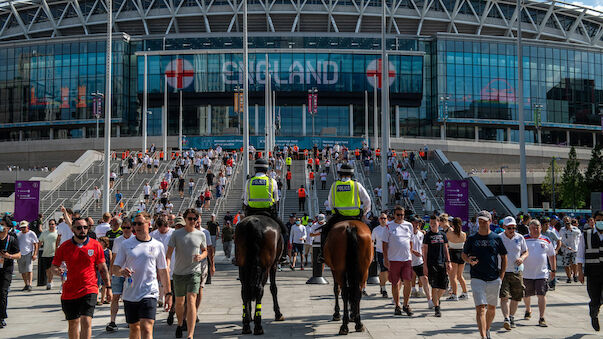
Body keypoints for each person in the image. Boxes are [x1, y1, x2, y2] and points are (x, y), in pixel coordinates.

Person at [112, 212, 172, 339]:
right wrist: (122, 272)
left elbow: (163, 270)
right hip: (130, 293)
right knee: (134, 329)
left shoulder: (157, 245)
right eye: (134, 224)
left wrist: (168, 293)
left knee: (147, 327)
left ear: (149, 224)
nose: (136, 226)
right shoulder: (126, 244)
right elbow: (115, 268)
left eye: (140, 223)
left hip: (149, 292)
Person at [51, 217, 112, 339]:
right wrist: (57, 271)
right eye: (79, 228)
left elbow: (103, 268)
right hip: (70, 291)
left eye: (85, 227)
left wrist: (109, 287)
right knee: (73, 323)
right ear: (73, 229)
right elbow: (53, 266)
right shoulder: (64, 246)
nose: (82, 230)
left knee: (86, 320)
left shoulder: (95, 245)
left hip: (89, 288)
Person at [462, 210, 508, 339]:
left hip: (494, 277)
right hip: (477, 277)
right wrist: (468, 260)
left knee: (492, 309)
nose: (481, 223)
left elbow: (504, 256)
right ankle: (483, 336)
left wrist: (502, 274)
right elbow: (464, 254)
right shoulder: (472, 238)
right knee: (480, 308)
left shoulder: (496, 238)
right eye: (480, 221)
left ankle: (487, 329)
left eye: (484, 221)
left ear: (490, 221)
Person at [166, 208, 207, 339]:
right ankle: (179, 323)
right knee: (179, 303)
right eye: (190, 219)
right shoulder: (176, 234)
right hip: (178, 273)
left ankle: (190, 334)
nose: (192, 221)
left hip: (194, 272)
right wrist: (166, 266)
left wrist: (201, 256)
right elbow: (169, 254)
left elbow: (205, 250)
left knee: (191, 300)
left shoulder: (201, 235)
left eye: (195, 219)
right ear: (185, 219)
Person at [318, 163, 371, 263]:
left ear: (340, 174)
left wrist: (334, 210)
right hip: (355, 217)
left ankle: (322, 255)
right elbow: (367, 200)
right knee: (369, 232)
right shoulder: (356, 185)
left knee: (325, 231)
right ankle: (371, 255)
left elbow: (330, 202)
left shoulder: (334, 185)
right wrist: (364, 212)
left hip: (339, 217)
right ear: (352, 174)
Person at [241, 159, 289, 261]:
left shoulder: (249, 181)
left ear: (255, 169)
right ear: (267, 169)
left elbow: (245, 200)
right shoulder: (272, 181)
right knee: (284, 231)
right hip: (268, 212)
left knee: (239, 231)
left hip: (251, 212)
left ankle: (238, 256)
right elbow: (276, 199)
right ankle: (283, 256)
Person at [383, 206, 419, 316]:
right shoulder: (388, 226)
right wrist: (385, 259)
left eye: (402, 215)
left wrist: (411, 252)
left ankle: (406, 304)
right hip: (394, 259)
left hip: (406, 259)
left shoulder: (408, 225)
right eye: (398, 214)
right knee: (395, 283)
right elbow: (384, 244)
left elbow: (411, 241)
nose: (400, 217)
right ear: (394, 215)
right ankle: (397, 305)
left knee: (408, 281)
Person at [523, 219, 556, 327]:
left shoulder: (546, 240)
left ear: (541, 228)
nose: (535, 230)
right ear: (529, 229)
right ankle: (528, 310)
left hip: (542, 273)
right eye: (533, 228)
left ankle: (541, 317)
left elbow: (551, 255)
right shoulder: (524, 239)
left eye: (537, 227)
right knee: (526, 295)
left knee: (541, 294)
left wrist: (553, 269)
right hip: (526, 273)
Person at [498, 216, 528, 330]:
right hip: (503, 271)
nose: (512, 230)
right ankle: (506, 318)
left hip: (516, 271)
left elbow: (526, 251)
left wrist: (522, 258)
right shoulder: (499, 238)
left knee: (516, 296)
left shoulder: (520, 238)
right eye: (509, 228)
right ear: (504, 227)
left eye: (514, 228)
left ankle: (511, 317)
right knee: (504, 296)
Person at [577, 210, 603, 331]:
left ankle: (596, 307)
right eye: (598, 220)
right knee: (594, 296)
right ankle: (593, 313)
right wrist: (580, 272)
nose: (600, 222)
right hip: (592, 273)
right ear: (594, 221)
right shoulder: (585, 234)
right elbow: (580, 254)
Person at [106, 218, 134, 332]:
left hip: (130, 273)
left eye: (128, 227)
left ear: (132, 227)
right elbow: (114, 256)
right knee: (115, 297)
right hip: (118, 272)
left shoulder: (136, 239)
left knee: (129, 299)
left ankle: (130, 320)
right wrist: (110, 272)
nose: (126, 230)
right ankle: (112, 321)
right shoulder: (118, 240)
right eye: (124, 228)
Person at [423, 214, 451, 317]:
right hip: (431, 263)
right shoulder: (427, 236)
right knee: (434, 286)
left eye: (434, 223)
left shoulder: (443, 235)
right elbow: (424, 251)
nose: (432, 225)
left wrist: (449, 262)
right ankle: (437, 308)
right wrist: (425, 265)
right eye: (431, 224)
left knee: (444, 286)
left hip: (442, 263)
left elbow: (446, 249)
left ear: (439, 223)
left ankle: (436, 300)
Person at [0, 218, 21, 329]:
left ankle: (1, 317)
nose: (0, 226)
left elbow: (19, 255)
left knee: (3, 293)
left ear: (8, 228)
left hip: (6, 269)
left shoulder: (12, 239)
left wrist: (9, 256)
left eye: (2, 225)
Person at [409, 216, 431, 307]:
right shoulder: (407, 233)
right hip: (407, 260)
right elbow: (405, 246)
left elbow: (422, 247)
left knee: (424, 279)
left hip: (419, 260)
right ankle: (395, 299)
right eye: (415, 222)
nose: (417, 224)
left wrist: (424, 257)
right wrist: (414, 252)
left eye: (418, 223)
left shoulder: (421, 234)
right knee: (402, 281)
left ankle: (429, 300)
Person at [447, 217, 468, 301]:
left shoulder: (449, 234)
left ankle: (454, 294)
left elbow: (447, 243)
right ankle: (465, 293)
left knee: (453, 276)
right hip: (461, 254)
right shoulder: (464, 234)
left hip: (453, 254)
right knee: (460, 276)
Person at [16, 221, 39, 291]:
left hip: (28, 253)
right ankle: (26, 284)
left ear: (27, 227)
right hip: (20, 254)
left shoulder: (31, 233)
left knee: (29, 270)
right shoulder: (18, 234)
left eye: (24, 227)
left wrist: (35, 254)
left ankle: (30, 284)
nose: (23, 229)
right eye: (22, 227)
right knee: (22, 271)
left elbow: (36, 244)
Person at [371, 212, 390, 298]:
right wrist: (371, 254)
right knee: (383, 271)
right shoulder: (376, 230)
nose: (383, 220)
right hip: (381, 252)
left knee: (390, 272)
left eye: (384, 218)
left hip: (391, 252)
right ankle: (383, 288)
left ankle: (383, 285)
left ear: (387, 219)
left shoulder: (390, 228)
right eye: (381, 218)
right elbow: (372, 242)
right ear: (379, 220)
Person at [559, 216, 581, 283]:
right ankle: (569, 277)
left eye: (568, 221)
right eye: (565, 221)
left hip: (574, 249)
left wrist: (570, 229)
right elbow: (559, 239)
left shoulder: (575, 228)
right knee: (566, 264)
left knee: (574, 263)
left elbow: (578, 234)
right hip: (565, 249)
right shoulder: (562, 230)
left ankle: (575, 275)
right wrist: (563, 246)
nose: (566, 222)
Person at [39, 219, 58, 290]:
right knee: (47, 270)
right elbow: (40, 242)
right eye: (50, 224)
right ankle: (50, 281)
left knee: (51, 269)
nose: (51, 225)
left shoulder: (58, 233)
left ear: (55, 225)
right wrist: (36, 251)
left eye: (53, 224)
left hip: (54, 254)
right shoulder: (45, 233)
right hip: (45, 254)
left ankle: (49, 282)